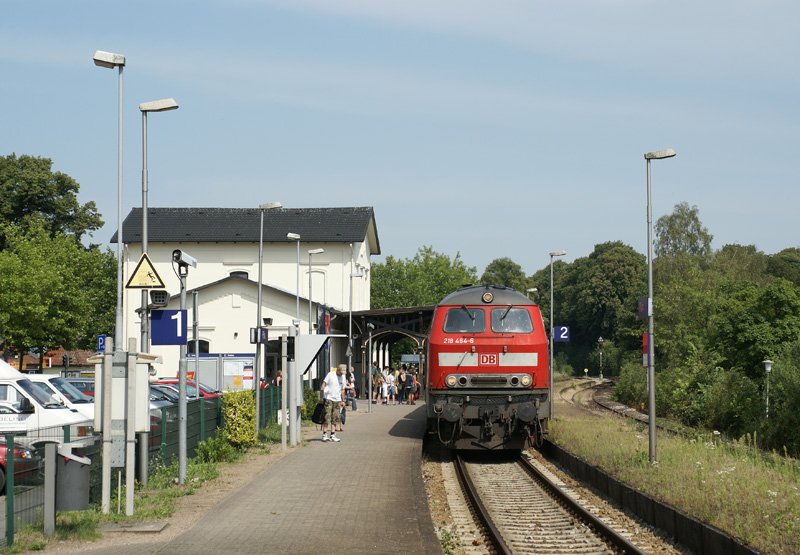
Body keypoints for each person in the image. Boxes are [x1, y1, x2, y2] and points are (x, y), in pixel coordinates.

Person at [320, 365, 345, 442]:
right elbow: (324, 384)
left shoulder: (343, 377)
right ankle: (324, 434)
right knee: (327, 416)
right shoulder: (331, 374)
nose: (341, 374)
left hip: (337, 400)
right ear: (337, 370)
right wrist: (321, 396)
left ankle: (333, 435)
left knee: (336, 417)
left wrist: (343, 400)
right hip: (329, 398)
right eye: (340, 372)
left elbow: (342, 389)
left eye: (343, 373)